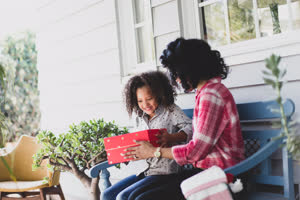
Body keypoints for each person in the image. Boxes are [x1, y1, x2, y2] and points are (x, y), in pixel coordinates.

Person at [124, 37, 245, 200]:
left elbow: (196, 151)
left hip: (221, 175)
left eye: (177, 72)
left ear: (191, 69)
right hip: (204, 171)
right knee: (132, 196)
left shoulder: (211, 95)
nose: (176, 79)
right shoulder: (206, 92)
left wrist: (154, 151)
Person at [101, 70, 193, 200]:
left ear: (159, 94)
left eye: (149, 99)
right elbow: (138, 143)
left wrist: (172, 137)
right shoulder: (139, 117)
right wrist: (128, 154)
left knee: (123, 197)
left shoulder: (170, 110)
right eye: (140, 101)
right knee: (107, 194)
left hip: (165, 173)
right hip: (143, 172)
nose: (145, 105)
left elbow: (191, 128)